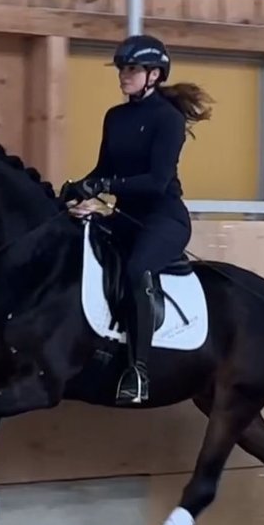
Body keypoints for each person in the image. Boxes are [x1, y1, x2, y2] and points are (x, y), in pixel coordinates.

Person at [61, 34, 213, 405]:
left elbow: (156, 182)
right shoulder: (115, 117)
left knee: (135, 269)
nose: (123, 76)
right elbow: (103, 169)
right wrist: (79, 188)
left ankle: (138, 370)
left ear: (154, 74)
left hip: (163, 219)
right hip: (124, 216)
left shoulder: (167, 119)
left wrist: (106, 185)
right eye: (122, 69)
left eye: (131, 69)